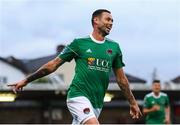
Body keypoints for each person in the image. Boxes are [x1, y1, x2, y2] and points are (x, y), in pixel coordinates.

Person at [8, 9, 142, 124]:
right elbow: (52, 65)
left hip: (97, 102)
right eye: (108, 19)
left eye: (112, 21)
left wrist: (133, 102)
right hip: (78, 96)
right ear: (95, 20)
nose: (111, 23)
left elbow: (122, 80)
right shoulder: (79, 43)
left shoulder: (114, 47)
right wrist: (26, 80)